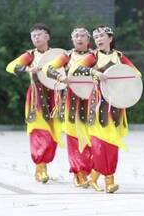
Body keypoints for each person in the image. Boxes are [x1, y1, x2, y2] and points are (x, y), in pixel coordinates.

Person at [70, 25, 141, 193]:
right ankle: (103, 179)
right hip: (97, 107)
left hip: (115, 106)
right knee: (99, 144)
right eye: (96, 37)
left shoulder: (120, 57)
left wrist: (122, 81)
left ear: (110, 38)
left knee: (112, 144)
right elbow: (75, 70)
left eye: (102, 36)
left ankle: (105, 180)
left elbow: (136, 74)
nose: (99, 39)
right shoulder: (92, 56)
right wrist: (95, 73)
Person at [6, 23, 62, 183]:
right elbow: (10, 67)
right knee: (39, 132)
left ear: (47, 37)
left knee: (53, 134)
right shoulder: (30, 55)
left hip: (55, 98)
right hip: (36, 98)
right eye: (33, 36)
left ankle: (44, 164)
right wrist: (27, 69)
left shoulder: (58, 55)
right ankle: (41, 166)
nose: (36, 38)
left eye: (39, 34)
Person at [42, 27, 94, 187]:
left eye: (83, 36)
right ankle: (79, 172)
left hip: (92, 100)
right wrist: (60, 77)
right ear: (72, 39)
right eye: (76, 36)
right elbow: (48, 69)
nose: (79, 38)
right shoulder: (67, 56)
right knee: (73, 137)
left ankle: (90, 170)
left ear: (88, 39)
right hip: (72, 101)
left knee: (92, 137)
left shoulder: (95, 56)